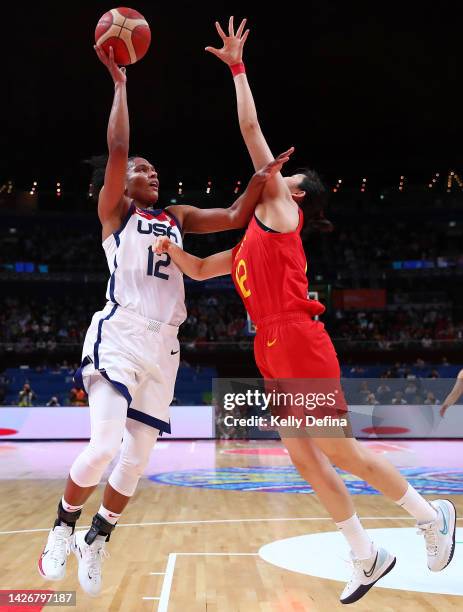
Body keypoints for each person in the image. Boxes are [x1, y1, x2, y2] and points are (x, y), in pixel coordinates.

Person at [153, 17, 457, 605]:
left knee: (338, 449)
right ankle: (366, 555)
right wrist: (170, 248)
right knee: (304, 459)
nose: (272, 178)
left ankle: (430, 516)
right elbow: (197, 269)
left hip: (297, 339)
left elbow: (248, 126)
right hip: (269, 347)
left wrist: (238, 67)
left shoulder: (281, 215)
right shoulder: (245, 249)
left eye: (281, 177)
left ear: (293, 195)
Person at [37, 43, 291, 596]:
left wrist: (260, 177)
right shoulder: (115, 215)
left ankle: (97, 537)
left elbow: (230, 216)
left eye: (154, 169)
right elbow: (119, 145)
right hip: (121, 332)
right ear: (121, 184)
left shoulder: (173, 217)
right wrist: (122, 87)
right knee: (104, 446)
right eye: (140, 170)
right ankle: (62, 527)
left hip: (165, 348)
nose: (150, 172)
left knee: (135, 462)